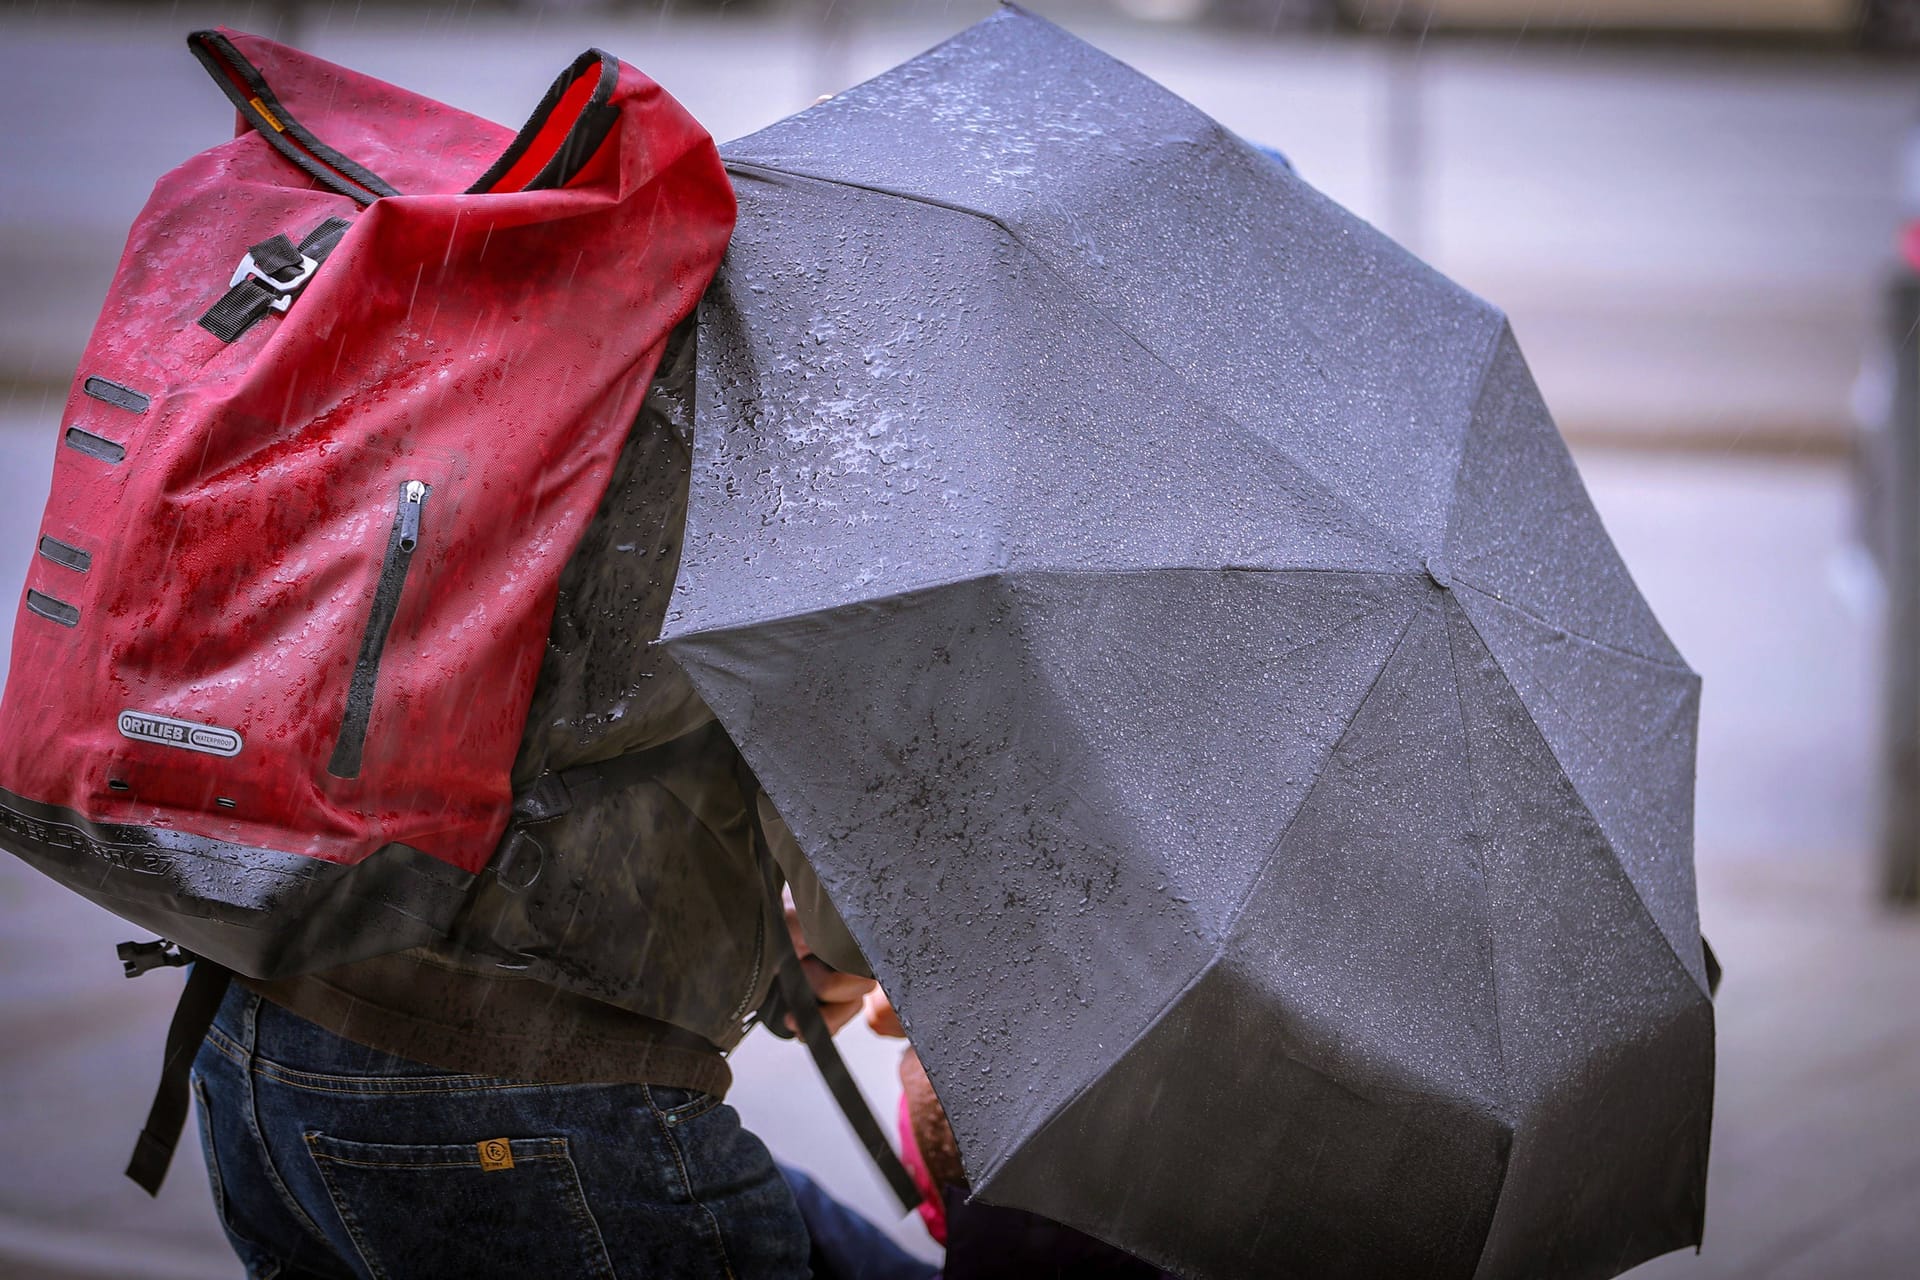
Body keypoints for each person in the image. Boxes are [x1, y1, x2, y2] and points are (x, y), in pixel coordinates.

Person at [189, 324, 876, 1280]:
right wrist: (840, 952)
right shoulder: (784, 406)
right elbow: (853, 851)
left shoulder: (484, 334)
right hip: (523, 1092)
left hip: (254, 1038)